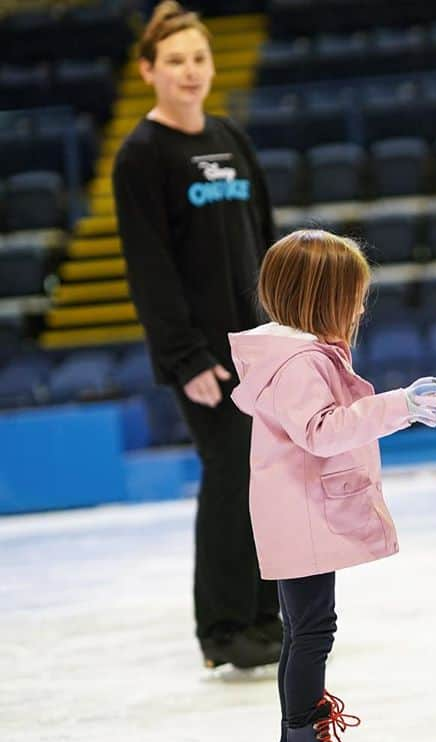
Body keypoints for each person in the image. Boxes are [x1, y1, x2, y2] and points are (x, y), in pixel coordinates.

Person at [229, 229, 436, 742]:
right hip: (299, 517)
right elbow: (321, 431)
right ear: (322, 297)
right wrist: (396, 407)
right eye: (354, 295)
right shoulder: (298, 363)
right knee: (311, 632)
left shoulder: (296, 355)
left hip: (295, 513)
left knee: (303, 631)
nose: (360, 307)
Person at [113, 0, 280, 672]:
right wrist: (185, 355)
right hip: (203, 354)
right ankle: (222, 626)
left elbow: (266, 239)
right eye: (175, 60)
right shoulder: (142, 155)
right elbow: (148, 265)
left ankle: (267, 613)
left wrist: (284, 326)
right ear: (149, 70)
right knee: (229, 472)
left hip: (259, 344)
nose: (190, 71)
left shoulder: (229, 138)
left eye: (199, 59)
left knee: (269, 476)